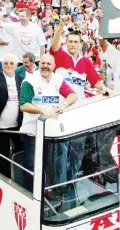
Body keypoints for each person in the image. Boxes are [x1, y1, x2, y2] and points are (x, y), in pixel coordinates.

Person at [20, 54, 78, 192]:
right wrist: (42, 110)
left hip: (52, 131)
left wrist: (64, 104)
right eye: (43, 63)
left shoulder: (58, 79)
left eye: (48, 64)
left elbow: (73, 95)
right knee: (32, 165)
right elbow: (23, 105)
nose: (45, 66)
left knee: (51, 164)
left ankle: (49, 192)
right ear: (39, 65)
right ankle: (31, 193)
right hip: (32, 132)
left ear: (54, 66)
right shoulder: (30, 81)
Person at [51, 15, 113, 100]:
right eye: (70, 42)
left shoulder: (85, 61)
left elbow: (96, 81)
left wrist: (105, 89)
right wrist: (61, 25)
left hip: (79, 105)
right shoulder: (60, 55)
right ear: (66, 43)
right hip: (62, 106)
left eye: (76, 42)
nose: (73, 44)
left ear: (80, 45)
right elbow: (54, 45)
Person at [0, 53, 24, 178]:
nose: (9, 65)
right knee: (2, 154)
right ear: (2, 65)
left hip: (18, 125)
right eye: (6, 63)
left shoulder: (21, 79)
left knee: (20, 151)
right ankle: (4, 178)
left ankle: (19, 176)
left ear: (16, 65)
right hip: (0, 126)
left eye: (11, 63)